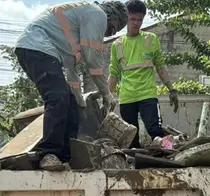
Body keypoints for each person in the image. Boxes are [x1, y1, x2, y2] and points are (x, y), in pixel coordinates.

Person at [15, 1, 128, 171]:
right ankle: (48, 154)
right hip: (36, 47)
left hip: (39, 50)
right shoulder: (98, 14)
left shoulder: (77, 28)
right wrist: (106, 94)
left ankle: (64, 158)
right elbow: (92, 58)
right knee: (58, 98)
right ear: (114, 16)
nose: (113, 32)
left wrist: (78, 98)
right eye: (117, 27)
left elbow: (72, 71)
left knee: (71, 107)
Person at [108, 0, 180, 148]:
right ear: (125, 18)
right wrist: (107, 98)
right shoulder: (117, 45)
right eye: (132, 19)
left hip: (147, 95)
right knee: (132, 140)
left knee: (155, 131)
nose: (136, 23)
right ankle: (136, 166)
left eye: (139, 20)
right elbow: (113, 74)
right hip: (126, 98)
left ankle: (172, 153)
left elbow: (160, 66)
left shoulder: (151, 39)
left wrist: (171, 89)